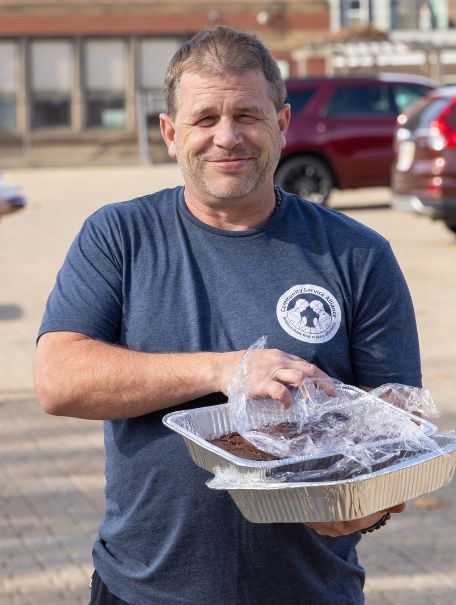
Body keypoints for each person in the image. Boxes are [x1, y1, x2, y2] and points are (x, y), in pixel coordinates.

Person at [34, 26, 421, 605]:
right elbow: (58, 381)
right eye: (204, 119)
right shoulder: (118, 237)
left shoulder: (358, 254)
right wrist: (226, 372)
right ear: (170, 133)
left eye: (247, 115)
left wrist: (366, 509)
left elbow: (398, 429)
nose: (227, 137)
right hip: (144, 590)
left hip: (310, 593)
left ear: (283, 125)